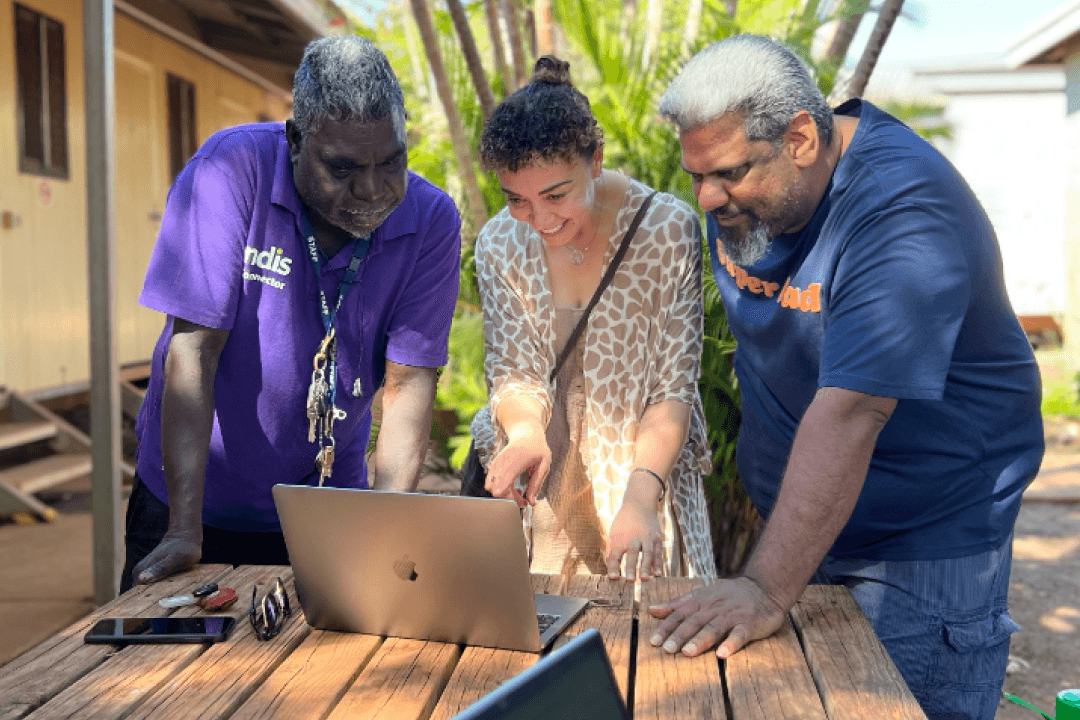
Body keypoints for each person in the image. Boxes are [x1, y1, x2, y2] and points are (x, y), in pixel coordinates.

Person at [647, 34, 1043, 720]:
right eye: (696, 176)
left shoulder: (904, 213)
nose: (708, 200)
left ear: (800, 138)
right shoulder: (753, 191)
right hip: (805, 529)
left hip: (920, 541)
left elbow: (853, 411)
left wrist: (766, 589)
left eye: (730, 175)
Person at [120, 36, 461, 592]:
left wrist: (382, 533)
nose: (372, 188)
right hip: (190, 507)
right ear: (296, 140)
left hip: (324, 513)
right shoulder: (230, 173)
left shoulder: (431, 222)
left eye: (392, 160)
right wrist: (182, 529)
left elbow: (408, 384)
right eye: (344, 167)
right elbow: (193, 352)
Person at [469, 56, 716, 583]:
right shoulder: (498, 243)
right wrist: (524, 434)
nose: (540, 218)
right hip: (544, 491)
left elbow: (672, 391)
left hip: (643, 481)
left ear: (595, 159)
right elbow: (513, 371)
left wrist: (641, 497)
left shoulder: (667, 230)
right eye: (517, 199)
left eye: (556, 195)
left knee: (652, 644)